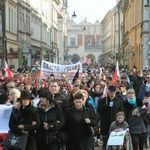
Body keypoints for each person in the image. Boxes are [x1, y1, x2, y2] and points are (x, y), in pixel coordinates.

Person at [97, 85, 123, 150]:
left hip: (115, 123)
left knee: (115, 141)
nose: (112, 93)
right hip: (105, 123)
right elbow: (98, 110)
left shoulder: (118, 101)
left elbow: (121, 111)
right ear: (108, 92)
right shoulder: (103, 100)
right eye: (111, 91)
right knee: (105, 140)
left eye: (113, 91)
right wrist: (104, 107)